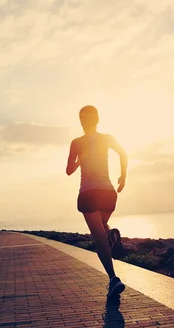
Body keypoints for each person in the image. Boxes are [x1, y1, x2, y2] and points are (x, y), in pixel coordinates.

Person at [66, 105, 128, 300]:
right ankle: (111, 236)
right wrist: (123, 177)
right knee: (102, 229)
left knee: (99, 239)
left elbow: (68, 170)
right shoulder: (107, 138)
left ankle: (113, 278)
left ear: (81, 122)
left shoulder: (76, 142)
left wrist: (79, 160)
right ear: (98, 120)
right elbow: (123, 153)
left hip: (89, 192)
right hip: (109, 192)